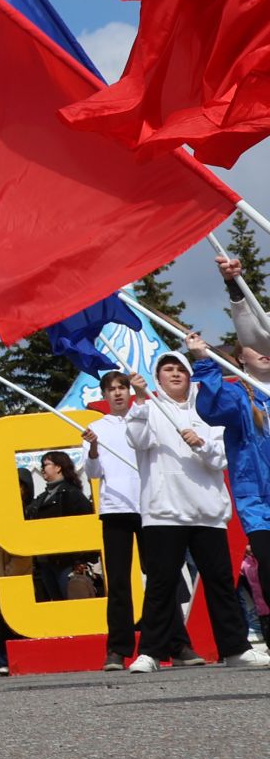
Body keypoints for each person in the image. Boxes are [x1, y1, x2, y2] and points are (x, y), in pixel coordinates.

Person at [125, 354, 269, 672]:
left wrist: (200, 444)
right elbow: (136, 439)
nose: (175, 374)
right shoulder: (148, 408)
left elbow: (220, 458)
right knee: (162, 584)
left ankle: (236, 649)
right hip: (164, 512)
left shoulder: (209, 409)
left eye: (181, 369)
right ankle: (149, 653)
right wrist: (137, 399)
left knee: (219, 583)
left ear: (191, 376)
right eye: (168, 370)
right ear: (158, 377)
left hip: (207, 511)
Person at [197, 260, 270, 625]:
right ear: (241, 356)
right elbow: (210, 409)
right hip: (258, 503)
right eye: (254, 345)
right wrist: (204, 364)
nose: (263, 350)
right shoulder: (241, 398)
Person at [81, 372, 143, 669]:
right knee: (118, 581)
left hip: (150, 507)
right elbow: (93, 473)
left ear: (130, 391)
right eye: (111, 389)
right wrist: (93, 447)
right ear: (104, 395)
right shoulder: (95, 427)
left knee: (160, 577)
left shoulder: (143, 418)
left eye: (122, 388)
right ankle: (118, 649)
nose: (117, 393)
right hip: (115, 508)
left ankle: (174, 643)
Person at [26, 452, 97, 602]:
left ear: (58, 467)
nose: (42, 469)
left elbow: (86, 529)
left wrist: (81, 560)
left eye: (45, 465)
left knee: (73, 605)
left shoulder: (73, 494)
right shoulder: (42, 497)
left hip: (67, 563)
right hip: (46, 562)